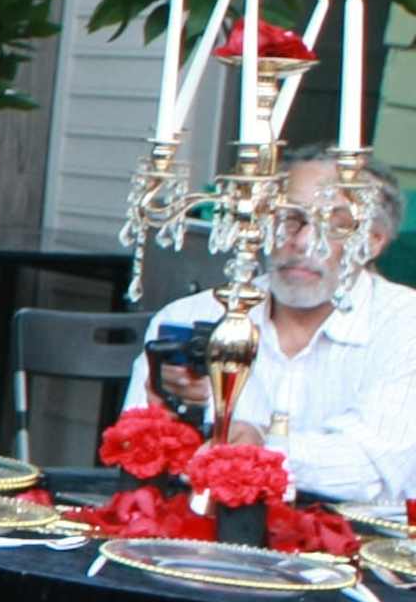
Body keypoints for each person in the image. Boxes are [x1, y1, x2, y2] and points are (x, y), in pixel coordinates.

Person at [134, 157, 416, 505]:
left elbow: (372, 471)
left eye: (335, 225)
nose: (303, 242)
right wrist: (177, 414)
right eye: (289, 218)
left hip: (358, 546)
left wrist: (256, 446)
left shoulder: (405, 325)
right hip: (202, 538)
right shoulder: (192, 315)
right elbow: (139, 455)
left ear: (373, 242)